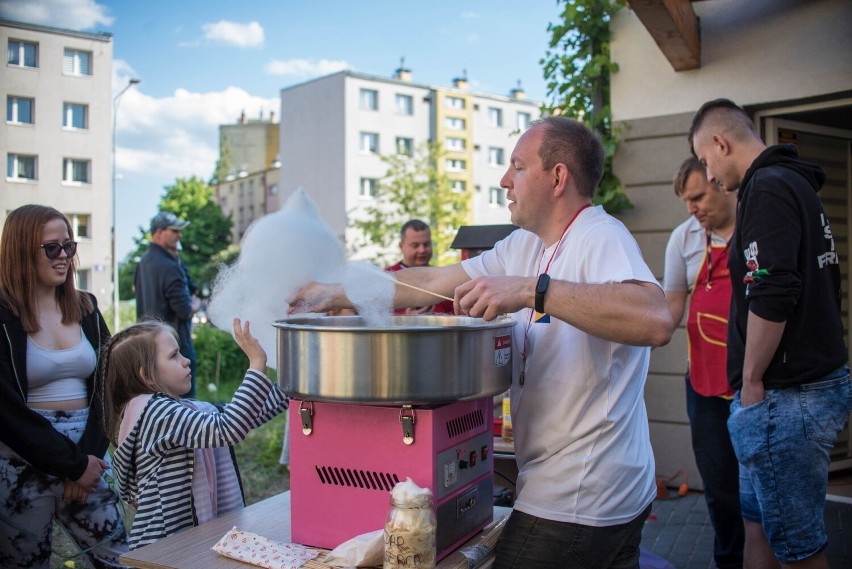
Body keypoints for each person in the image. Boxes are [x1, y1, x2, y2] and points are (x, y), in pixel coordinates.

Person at [290, 116, 673, 569]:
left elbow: (654, 318)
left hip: (581, 498)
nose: (503, 180)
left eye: (517, 166)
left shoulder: (599, 236)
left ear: (557, 177)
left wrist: (532, 290)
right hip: (582, 489)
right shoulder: (525, 246)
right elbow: (431, 281)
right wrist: (332, 292)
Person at [689, 98, 851, 569]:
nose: (710, 176)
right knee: (756, 526)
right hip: (781, 397)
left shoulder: (768, 188)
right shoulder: (795, 187)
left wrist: (754, 380)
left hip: (784, 397)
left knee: (799, 549)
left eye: (705, 161)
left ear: (721, 143)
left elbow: (773, 292)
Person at [0, 204, 129, 569]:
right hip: (20, 463)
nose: (63, 257)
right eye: (51, 248)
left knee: (120, 559)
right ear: (21, 250)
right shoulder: (3, 315)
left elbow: (109, 384)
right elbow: (6, 410)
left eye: (68, 246)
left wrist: (84, 462)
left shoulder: (86, 307)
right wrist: (68, 464)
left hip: (88, 458)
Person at [103, 318, 289, 550]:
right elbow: (229, 427)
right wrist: (257, 363)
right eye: (174, 356)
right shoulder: (154, 412)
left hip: (181, 543)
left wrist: (293, 383)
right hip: (164, 549)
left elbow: (246, 416)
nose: (186, 360)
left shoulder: (174, 411)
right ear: (147, 376)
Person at [663, 157, 744, 569]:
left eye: (697, 197)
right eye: (686, 201)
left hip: (757, 383)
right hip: (704, 383)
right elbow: (671, 309)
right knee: (719, 487)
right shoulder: (684, 238)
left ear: (721, 184)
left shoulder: (757, 224)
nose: (693, 209)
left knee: (763, 488)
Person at [134, 211, 201, 397]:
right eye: (174, 230)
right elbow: (184, 310)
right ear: (159, 232)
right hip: (175, 348)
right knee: (186, 411)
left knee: (160, 409)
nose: (179, 235)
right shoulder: (170, 266)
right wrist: (195, 304)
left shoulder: (143, 262)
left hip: (149, 350)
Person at [385, 219, 454, 315]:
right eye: (415, 245)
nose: (422, 250)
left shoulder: (444, 278)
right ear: (401, 246)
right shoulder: (387, 278)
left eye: (426, 244)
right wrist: (404, 318)